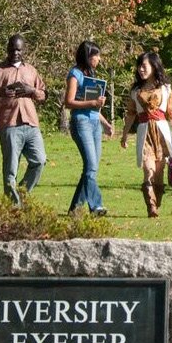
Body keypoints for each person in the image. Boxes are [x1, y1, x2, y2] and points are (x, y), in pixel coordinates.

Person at [0, 34, 47, 206]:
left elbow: (43, 95)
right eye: (12, 49)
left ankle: (21, 194)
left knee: (39, 160)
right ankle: (13, 207)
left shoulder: (31, 70)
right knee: (11, 169)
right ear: (7, 49)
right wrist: (0, 93)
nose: (15, 53)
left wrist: (31, 90)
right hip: (9, 124)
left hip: (31, 123)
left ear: (23, 49)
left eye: (18, 49)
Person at [121, 51, 172, 218]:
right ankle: (151, 207)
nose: (141, 69)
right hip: (144, 133)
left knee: (159, 173)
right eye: (139, 66)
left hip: (163, 132)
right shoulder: (135, 91)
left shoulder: (165, 89)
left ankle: (157, 201)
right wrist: (125, 135)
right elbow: (131, 114)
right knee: (148, 170)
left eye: (144, 66)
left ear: (154, 67)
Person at [65, 40, 113, 216]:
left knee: (91, 169)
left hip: (94, 123)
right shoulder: (75, 74)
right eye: (96, 55)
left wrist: (105, 122)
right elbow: (68, 102)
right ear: (88, 56)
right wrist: (92, 102)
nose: (99, 59)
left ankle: (75, 210)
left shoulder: (92, 75)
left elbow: (94, 108)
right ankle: (96, 206)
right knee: (91, 166)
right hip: (81, 123)